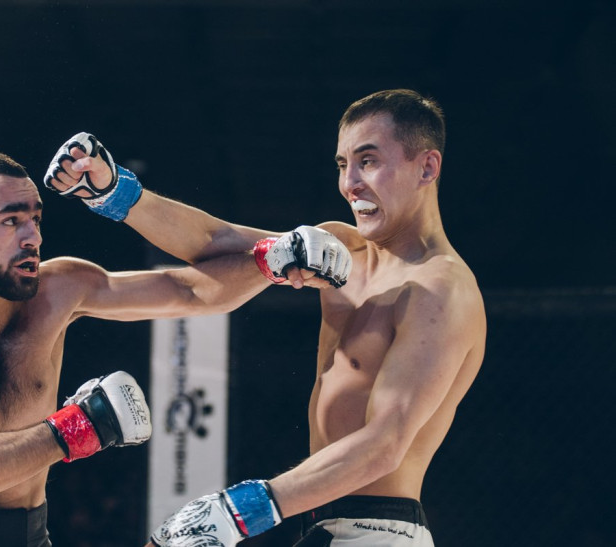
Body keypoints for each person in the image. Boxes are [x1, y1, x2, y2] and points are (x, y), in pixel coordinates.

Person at [45, 89, 486, 546]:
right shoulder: (346, 249)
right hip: (322, 523)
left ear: (427, 168)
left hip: (379, 532)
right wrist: (114, 191)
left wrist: (238, 511)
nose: (350, 183)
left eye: (368, 161)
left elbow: (385, 444)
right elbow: (217, 242)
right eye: (343, 164)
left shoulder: (441, 289)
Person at [0, 150, 349, 547]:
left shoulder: (58, 289)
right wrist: (78, 428)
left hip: (30, 534)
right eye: (10, 221)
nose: (33, 237)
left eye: (35, 218)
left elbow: (189, 291)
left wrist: (270, 259)